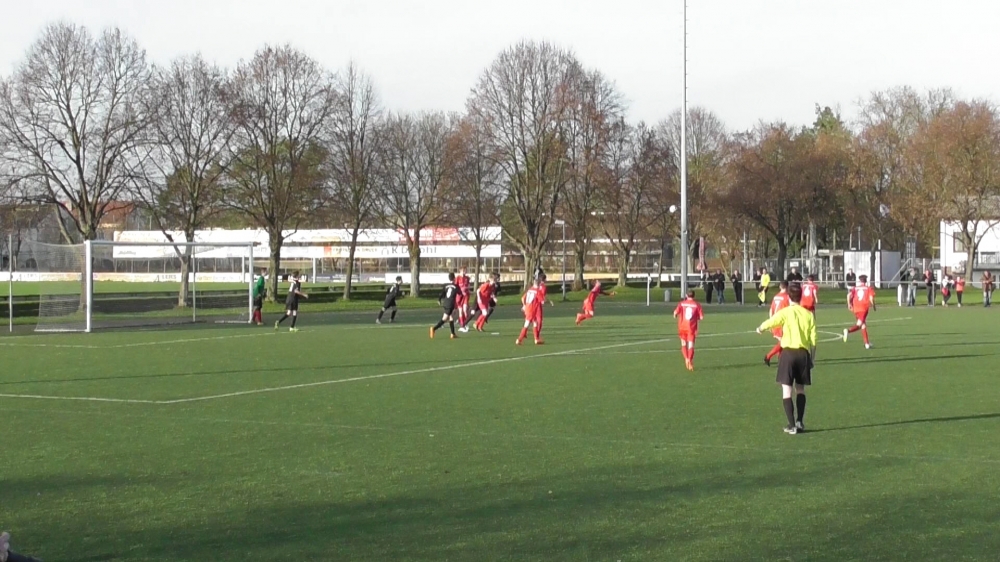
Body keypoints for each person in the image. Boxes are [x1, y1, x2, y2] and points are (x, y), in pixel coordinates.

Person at [756, 282, 817, 435]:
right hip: (803, 354)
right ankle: (800, 422)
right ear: (801, 297)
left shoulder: (786, 312)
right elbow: (814, 340)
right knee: (800, 389)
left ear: (789, 297)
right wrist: (812, 358)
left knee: (786, 390)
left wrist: (760, 328)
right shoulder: (808, 315)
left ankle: (791, 425)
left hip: (788, 354)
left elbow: (772, 321)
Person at [673, 289, 704, 371]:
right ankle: (689, 359)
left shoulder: (681, 303)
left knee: (683, 344)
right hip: (691, 328)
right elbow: (701, 317)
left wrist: (675, 315)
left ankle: (686, 358)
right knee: (691, 345)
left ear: (686, 295)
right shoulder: (697, 305)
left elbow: (675, 313)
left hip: (682, 327)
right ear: (694, 296)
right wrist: (697, 317)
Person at [844, 274, 876, 349]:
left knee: (863, 325)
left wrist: (849, 304)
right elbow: (871, 299)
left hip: (855, 309)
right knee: (859, 324)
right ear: (866, 281)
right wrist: (874, 306)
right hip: (863, 309)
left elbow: (848, 295)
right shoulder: (868, 288)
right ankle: (848, 331)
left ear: (860, 281)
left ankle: (867, 344)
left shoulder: (855, 288)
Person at [764, 281, 791, 366]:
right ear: (787, 287)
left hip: (775, 321)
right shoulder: (787, 297)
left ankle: (780, 359)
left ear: (780, 287)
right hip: (781, 323)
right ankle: (768, 356)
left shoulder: (776, 297)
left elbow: (771, 310)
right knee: (784, 342)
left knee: (782, 342)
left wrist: (771, 322)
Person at [430, 272, 459, 339]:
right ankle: (434, 329)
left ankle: (453, 334)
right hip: (450, 304)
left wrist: (439, 300)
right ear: (454, 278)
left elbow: (442, 294)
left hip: (445, 303)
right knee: (444, 319)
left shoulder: (446, 286)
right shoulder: (455, 286)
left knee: (451, 317)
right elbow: (460, 293)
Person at [516, 278, 544, 345]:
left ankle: (536, 339)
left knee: (535, 323)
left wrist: (524, 305)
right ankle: (519, 339)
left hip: (528, 308)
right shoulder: (537, 291)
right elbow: (542, 301)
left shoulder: (530, 290)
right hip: (532, 309)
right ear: (539, 284)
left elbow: (522, 298)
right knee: (527, 324)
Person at [455, 267, 472, 332]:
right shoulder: (457, 278)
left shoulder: (467, 278)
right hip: (459, 296)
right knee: (460, 310)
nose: (465, 272)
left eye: (466, 271)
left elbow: (468, 285)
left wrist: (467, 289)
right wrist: (460, 291)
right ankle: (462, 325)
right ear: (461, 271)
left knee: (465, 309)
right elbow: (455, 287)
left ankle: (465, 324)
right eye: (464, 270)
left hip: (466, 295)